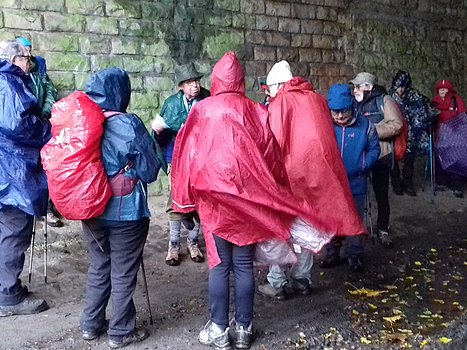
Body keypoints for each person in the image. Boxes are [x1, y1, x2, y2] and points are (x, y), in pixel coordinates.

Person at [170, 51, 364, 350]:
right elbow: (272, 158)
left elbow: (185, 156)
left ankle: (219, 330)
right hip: (249, 201)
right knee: (244, 265)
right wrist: (277, 192)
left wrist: (183, 204)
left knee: (220, 265)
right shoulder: (256, 112)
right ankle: (245, 329)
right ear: (241, 81)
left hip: (215, 204)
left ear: (216, 80)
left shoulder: (201, 111)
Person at [258, 61, 365, 299]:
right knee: (307, 227)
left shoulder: (281, 103)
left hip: (290, 176)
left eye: (269, 89)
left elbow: (274, 143)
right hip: (316, 176)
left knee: (280, 228)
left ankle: (276, 283)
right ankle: (302, 279)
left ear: (277, 85)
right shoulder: (316, 100)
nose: (269, 93)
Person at [79, 67, 159, 349]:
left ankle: (90, 325)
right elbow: (149, 171)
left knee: (100, 264)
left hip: (89, 208)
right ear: (121, 92)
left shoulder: (81, 124)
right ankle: (121, 331)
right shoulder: (129, 124)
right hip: (125, 212)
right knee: (123, 270)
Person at [0, 40, 51, 316]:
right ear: (14, 58)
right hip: (12, 173)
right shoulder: (7, 83)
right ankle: (7, 296)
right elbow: (18, 124)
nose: (29, 63)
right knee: (14, 231)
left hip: (6, 169)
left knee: (5, 230)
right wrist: (47, 129)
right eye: (26, 58)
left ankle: (7, 287)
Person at [152, 62, 210, 266]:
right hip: (176, 158)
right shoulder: (171, 104)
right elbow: (161, 135)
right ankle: (174, 245)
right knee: (176, 199)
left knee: (198, 200)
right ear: (181, 86)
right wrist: (160, 132)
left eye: (197, 81)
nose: (196, 85)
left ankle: (193, 243)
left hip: (200, 159)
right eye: (191, 82)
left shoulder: (207, 98)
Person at [320, 84, 380, 272]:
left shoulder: (366, 125)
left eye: (343, 112)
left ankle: (355, 255)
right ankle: (332, 252)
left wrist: (363, 165)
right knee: (332, 219)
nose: (339, 117)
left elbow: (374, 149)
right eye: (334, 112)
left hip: (356, 182)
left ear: (351, 107)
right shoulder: (325, 125)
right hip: (332, 184)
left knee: (354, 219)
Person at [350, 72, 403, 248]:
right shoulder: (354, 102)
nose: (355, 89)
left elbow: (396, 124)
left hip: (381, 155)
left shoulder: (384, 100)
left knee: (381, 194)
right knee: (357, 195)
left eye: (359, 86)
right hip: (361, 155)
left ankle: (383, 229)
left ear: (369, 87)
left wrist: (372, 132)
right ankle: (356, 231)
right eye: (355, 86)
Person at [16, 36, 62, 227]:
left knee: (47, 166)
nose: (28, 53)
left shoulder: (39, 71)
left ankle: (47, 208)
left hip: (42, 125)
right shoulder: (13, 76)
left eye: (29, 49)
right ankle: (25, 207)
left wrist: (45, 112)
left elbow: (50, 92)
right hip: (24, 128)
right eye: (24, 50)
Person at [388, 71, 438, 196]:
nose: (399, 89)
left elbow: (427, 109)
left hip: (411, 134)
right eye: (398, 86)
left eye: (402, 86)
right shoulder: (389, 97)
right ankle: (396, 183)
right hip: (396, 134)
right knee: (392, 159)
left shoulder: (415, 96)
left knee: (409, 160)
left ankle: (408, 183)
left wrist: (429, 119)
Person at [432, 79, 466, 198]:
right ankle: (441, 182)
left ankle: (456, 185)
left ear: (449, 89)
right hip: (440, 135)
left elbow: (462, 117)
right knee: (440, 158)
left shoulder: (456, 100)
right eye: (440, 89)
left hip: (455, 135)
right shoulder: (434, 102)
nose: (442, 91)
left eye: (444, 88)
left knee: (455, 158)